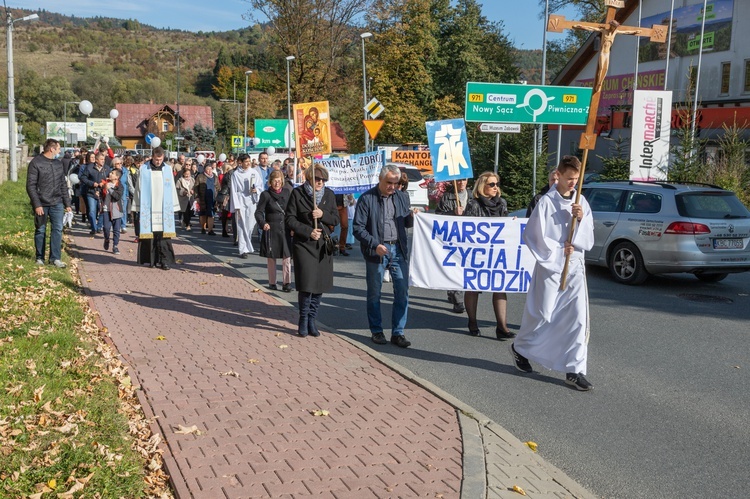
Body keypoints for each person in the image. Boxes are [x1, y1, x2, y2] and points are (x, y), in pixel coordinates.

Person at [509, 155, 595, 391]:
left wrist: (580, 219)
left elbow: (588, 235)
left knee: (577, 319)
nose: (573, 183)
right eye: (569, 178)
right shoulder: (546, 203)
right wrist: (559, 249)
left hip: (575, 266)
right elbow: (533, 236)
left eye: (576, 179)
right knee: (542, 315)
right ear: (558, 175)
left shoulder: (581, 201)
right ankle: (520, 348)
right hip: (551, 267)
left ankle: (574, 369)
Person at [353, 164, 416, 348]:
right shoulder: (367, 199)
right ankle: (377, 331)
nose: (393, 187)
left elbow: (405, 222)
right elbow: (357, 228)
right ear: (380, 179)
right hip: (377, 251)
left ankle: (398, 332)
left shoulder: (402, 196)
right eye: (389, 182)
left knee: (402, 291)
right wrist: (375, 245)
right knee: (375, 293)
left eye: (396, 183)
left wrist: (413, 217)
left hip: (398, 250)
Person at [285, 164, 339, 337]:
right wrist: (308, 231)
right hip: (304, 245)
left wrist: (322, 215)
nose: (320, 183)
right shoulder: (298, 193)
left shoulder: (329, 195)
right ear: (309, 178)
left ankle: (312, 320)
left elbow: (336, 219)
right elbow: (289, 219)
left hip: (323, 246)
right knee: (307, 284)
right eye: (317, 179)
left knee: (319, 284)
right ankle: (303, 319)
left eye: (323, 180)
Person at [462, 172, 514, 339]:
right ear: (482, 186)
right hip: (477, 253)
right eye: (491, 184)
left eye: (496, 184)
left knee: (500, 287)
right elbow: (468, 229)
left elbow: (504, 227)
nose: (495, 187)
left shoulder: (502, 203)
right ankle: (472, 322)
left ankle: (502, 326)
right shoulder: (474, 204)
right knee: (473, 288)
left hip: (497, 253)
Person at [26, 139, 72, 268]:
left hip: (57, 202)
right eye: (58, 148)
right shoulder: (36, 163)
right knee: (40, 230)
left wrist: (67, 203)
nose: (59, 151)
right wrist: (37, 204)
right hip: (41, 203)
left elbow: (63, 184)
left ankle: (55, 258)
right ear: (51, 149)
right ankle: (39, 257)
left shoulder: (58, 164)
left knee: (57, 229)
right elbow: (31, 185)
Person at [134, 147, 180, 270]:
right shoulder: (144, 169)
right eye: (156, 159)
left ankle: (164, 261)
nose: (158, 162)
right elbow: (138, 188)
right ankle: (151, 260)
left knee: (164, 236)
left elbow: (171, 188)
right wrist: (137, 206)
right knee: (150, 235)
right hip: (148, 207)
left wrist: (174, 206)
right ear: (152, 157)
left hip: (164, 208)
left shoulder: (167, 169)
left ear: (163, 157)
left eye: (160, 159)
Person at [435, 178, 471, 314]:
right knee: (454, 267)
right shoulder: (447, 197)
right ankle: (458, 300)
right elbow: (438, 216)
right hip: (452, 238)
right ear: (454, 182)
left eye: (464, 180)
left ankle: (454, 292)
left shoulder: (473, 196)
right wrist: (452, 213)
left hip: (468, 239)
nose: (461, 183)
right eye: (459, 181)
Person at [256, 170, 292, 292]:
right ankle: (272, 282)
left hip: (285, 229)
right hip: (271, 229)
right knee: (272, 257)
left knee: (286, 257)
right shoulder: (265, 195)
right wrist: (263, 223)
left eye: (279, 180)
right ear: (270, 182)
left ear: (282, 181)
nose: (277, 183)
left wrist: (293, 226)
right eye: (274, 181)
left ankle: (287, 283)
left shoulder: (287, 193)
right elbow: (259, 212)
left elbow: (291, 210)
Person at [231, 153, 263, 257]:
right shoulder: (235, 174)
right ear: (241, 162)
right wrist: (236, 205)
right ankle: (242, 249)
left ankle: (247, 245)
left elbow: (260, 186)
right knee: (241, 224)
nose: (248, 163)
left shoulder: (254, 172)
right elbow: (234, 190)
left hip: (251, 200)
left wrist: (256, 190)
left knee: (249, 225)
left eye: (249, 161)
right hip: (240, 201)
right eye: (246, 162)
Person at [80, 151, 110, 235]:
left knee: (102, 211)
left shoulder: (107, 168)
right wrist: (93, 184)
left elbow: (110, 179)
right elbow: (83, 178)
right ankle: (94, 228)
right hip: (91, 192)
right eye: (101, 159)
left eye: (104, 159)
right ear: (96, 160)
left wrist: (104, 183)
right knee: (92, 211)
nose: (103, 161)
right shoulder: (89, 167)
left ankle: (99, 226)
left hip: (103, 193)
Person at [101, 168, 124, 255]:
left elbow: (117, 196)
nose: (110, 174)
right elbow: (101, 194)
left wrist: (110, 189)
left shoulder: (120, 186)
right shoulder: (105, 183)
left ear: (117, 177)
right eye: (110, 172)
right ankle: (107, 239)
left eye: (112, 173)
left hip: (117, 210)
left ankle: (115, 246)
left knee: (116, 229)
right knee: (106, 228)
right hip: (107, 209)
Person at [194, 163, 218, 235]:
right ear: (205, 170)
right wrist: (197, 197)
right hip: (203, 198)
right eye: (208, 169)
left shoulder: (215, 177)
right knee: (203, 214)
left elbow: (218, 186)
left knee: (211, 214)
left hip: (212, 198)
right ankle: (203, 228)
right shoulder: (200, 176)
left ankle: (210, 230)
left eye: (211, 169)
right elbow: (196, 187)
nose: (209, 170)